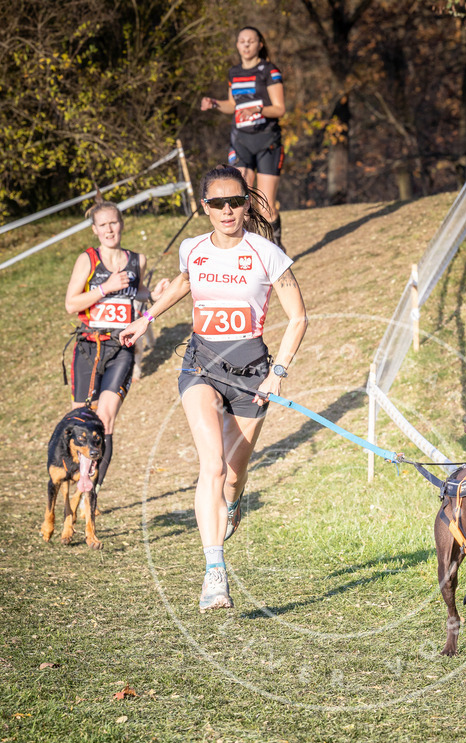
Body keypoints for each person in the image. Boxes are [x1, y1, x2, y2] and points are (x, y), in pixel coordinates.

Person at [120, 165, 307, 612]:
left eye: (236, 201)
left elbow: (298, 318)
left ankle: (233, 504)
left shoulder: (267, 254)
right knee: (214, 465)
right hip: (201, 368)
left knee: (234, 476)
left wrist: (276, 373)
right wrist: (144, 319)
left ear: (247, 202)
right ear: (204, 207)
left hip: (251, 378)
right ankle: (214, 574)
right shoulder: (193, 249)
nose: (228, 210)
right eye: (218, 203)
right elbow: (186, 283)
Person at [64, 200, 170, 491]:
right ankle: (75, 484)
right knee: (81, 422)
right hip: (89, 346)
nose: (109, 229)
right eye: (103, 225)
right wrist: (104, 288)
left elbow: (137, 293)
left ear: (121, 224)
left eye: (114, 222)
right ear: (96, 230)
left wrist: (153, 294)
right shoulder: (87, 260)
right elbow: (71, 304)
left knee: (106, 420)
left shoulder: (138, 260)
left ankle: (92, 492)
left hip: (121, 348)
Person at [201, 26, 286, 249]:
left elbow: (279, 109)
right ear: (237, 45)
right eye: (242, 41)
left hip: (267, 141)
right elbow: (232, 105)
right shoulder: (234, 73)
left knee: (265, 206)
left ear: (260, 44)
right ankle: (247, 250)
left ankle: (275, 246)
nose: (246, 45)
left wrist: (258, 110)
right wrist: (216, 103)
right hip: (241, 141)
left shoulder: (269, 70)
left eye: (251, 41)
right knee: (240, 199)